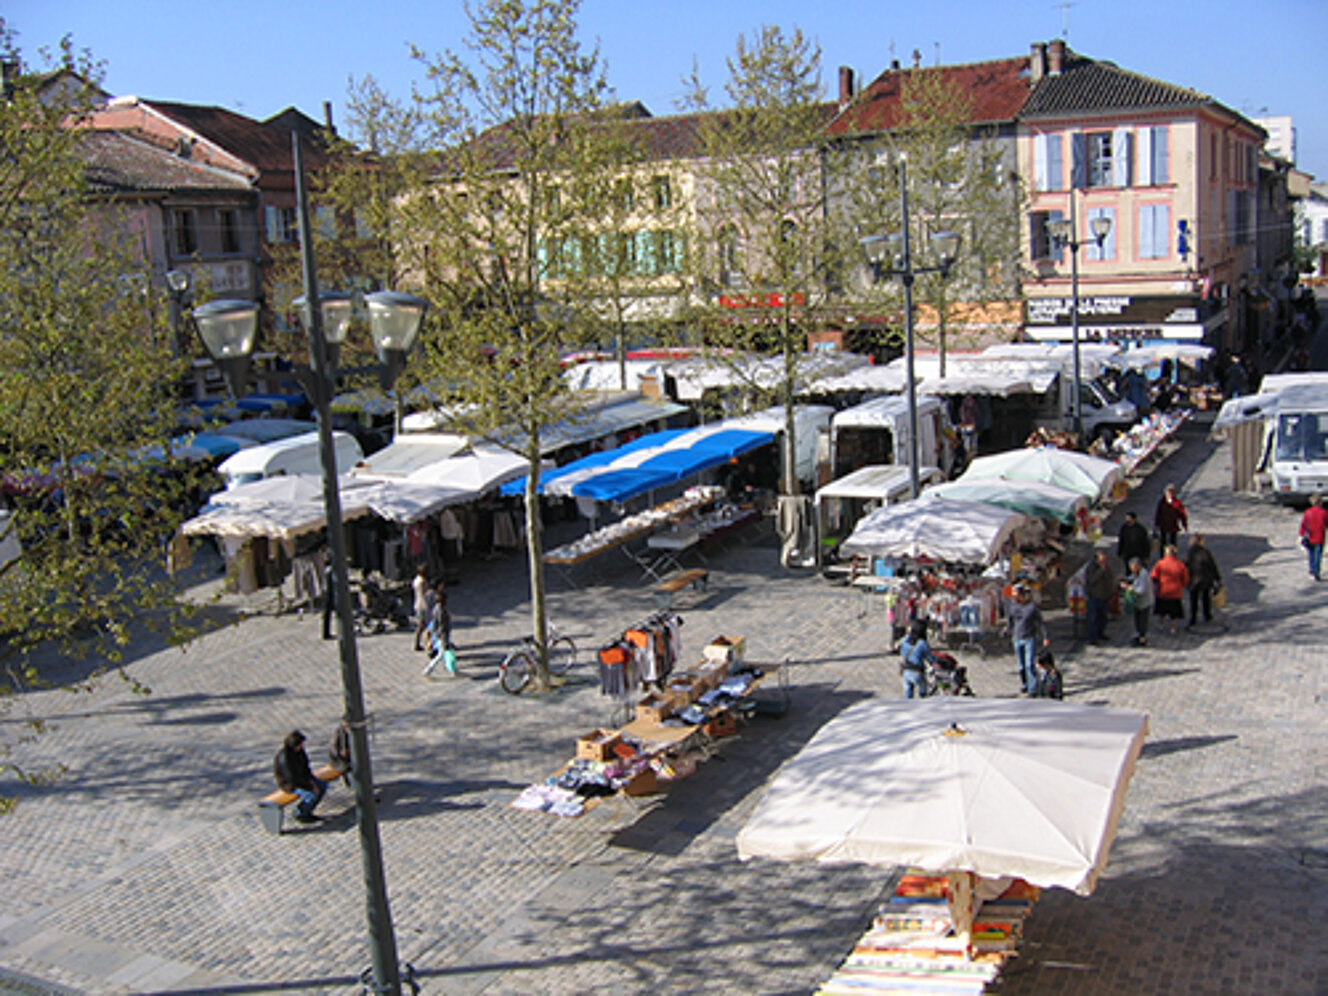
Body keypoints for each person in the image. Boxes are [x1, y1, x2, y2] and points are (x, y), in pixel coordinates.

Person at [273, 730, 325, 824]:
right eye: (300, 744)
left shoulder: (300, 752)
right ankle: (300, 812)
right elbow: (292, 779)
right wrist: (310, 786)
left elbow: (306, 767)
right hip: (290, 784)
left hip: (303, 779)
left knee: (323, 785)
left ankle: (308, 810)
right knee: (312, 794)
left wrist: (311, 781)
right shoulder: (285, 758)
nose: (302, 746)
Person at [1006, 583, 1049, 695]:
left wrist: (1045, 636)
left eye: (1015, 595)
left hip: (1029, 637)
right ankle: (1025, 684)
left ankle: (1032, 688)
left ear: (1021, 595)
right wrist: (1008, 630)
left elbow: (1040, 622)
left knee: (1029, 664)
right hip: (1017, 638)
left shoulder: (1031, 608)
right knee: (1021, 665)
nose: (1013, 598)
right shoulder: (1012, 606)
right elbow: (1011, 620)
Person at [1150, 544, 1190, 637]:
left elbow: (1154, 576)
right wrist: (1181, 585)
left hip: (1162, 591)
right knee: (1174, 613)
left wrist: (1157, 584)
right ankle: (1173, 628)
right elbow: (1185, 579)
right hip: (1175, 592)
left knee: (1161, 610)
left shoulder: (1160, 563)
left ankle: (1161, 624)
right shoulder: (1180, 565)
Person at [1185, 533, 1222, 628]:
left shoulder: (1189, 553)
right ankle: (1207, 615)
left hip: (1193, 579)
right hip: (1205, 578)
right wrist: (1217, 578)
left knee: (1194, 599)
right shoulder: (1205, 552)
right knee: (1206, 598)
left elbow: (1186, 566)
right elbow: (1212, 566)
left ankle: (1193, 618)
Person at [897, 619, 936, 699]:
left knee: (908, 696)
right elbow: (930, 658)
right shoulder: (922, 643)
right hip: (917, 672)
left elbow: (901, 652)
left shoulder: (905, 639)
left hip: (906, 671)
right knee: (923, 696)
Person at [1084, 549, 1116, 645]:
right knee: (1093, 618)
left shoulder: (1106, 567)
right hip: (1094, 596)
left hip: (1104, 596)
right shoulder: (1091, 568)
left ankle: (1100, 633)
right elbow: (1091, 580)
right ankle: (1093, 637)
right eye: (1102, 559)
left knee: (1103, 617)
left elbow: (1110, 577)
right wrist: (1101, 571)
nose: (1104, 562)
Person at [1121, 556, 1155, 647]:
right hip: (1138, 603)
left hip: (1144, 602)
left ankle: (1142, 639)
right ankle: (1139, 636)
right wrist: (1126, 580)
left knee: (1142, 622)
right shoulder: (1137, 573)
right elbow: (1132, 578)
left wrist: (1129, 588)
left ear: (1137, 566)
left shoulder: (1143, 575)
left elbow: (1141, 590)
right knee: (1137, 620)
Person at [423, 585, 455, 677]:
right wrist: (443, 638)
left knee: (445, 653)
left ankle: (451, 669)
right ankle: (428, 670)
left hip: (440, 635)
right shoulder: (440, 611)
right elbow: (442, 626)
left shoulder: (437, 609)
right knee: (441, 654)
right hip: (442, 636)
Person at [1299, 493, 1328, 581]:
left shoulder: (1308, 512)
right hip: (1320, 536)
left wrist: (1301, 534)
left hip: (1310, 536)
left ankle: (1312, 569)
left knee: (1311, 553)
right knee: (1318, 555)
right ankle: (1317, 572)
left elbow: (1303, 524)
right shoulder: (1324, 512)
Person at [1154, 483, 1188, 551]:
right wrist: (1157, 524)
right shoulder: (1162, 502)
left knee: (1173, 542)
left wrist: (1184, 524)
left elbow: (1182, 513)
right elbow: (1158, 513)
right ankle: (1163, 556)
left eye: (1171, 492)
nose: (1170, 494)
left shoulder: (1177, 503)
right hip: (1163, 525)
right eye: (1168, 492)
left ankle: (1173, 555)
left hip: (1173, 525)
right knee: (1163, 542)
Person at [412, 564, 433, 652]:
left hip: (418, 604)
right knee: (425, 625)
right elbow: (425, 593)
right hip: (423, 605)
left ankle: (418, 643)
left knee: (421, 625)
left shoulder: (416, 580)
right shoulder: (422, 582)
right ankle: (427, 644)